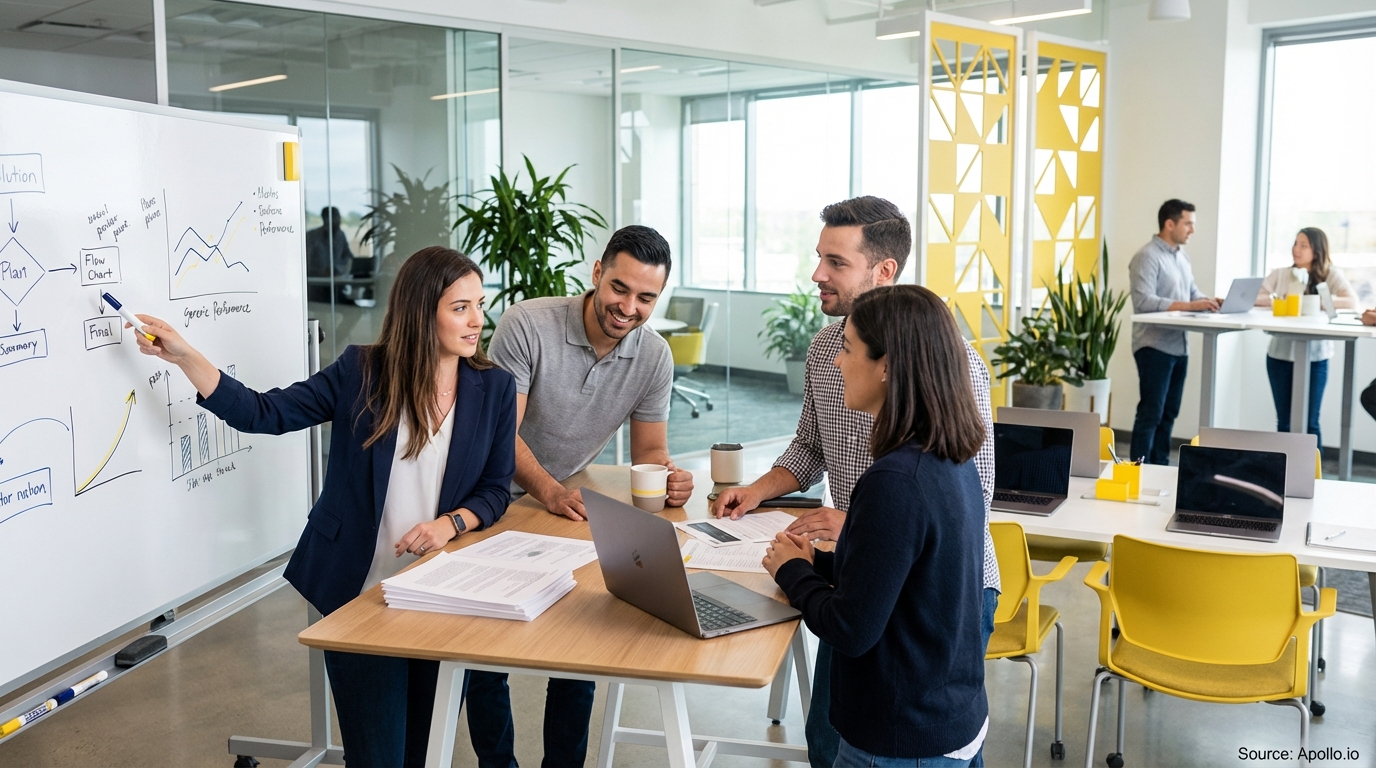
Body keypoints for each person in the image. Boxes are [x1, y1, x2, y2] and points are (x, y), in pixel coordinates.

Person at [128, 247, 516, 768]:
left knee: (425, 754)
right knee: (377, 757)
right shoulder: (362, 371)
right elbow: (264, 412)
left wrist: (452, 523)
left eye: (479, 305)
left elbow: (495, 488)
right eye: (461, 308)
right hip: (359, 596)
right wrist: (185, 356)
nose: (477, 321)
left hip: (438, 597)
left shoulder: (494, 387)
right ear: (423, 312)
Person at [711, 196, 999, 768]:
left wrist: (860, 524)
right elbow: (810, 447)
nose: (817, 274)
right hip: (852, 569)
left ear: (883, 270)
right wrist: (759, 490)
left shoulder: (950, 364)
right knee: (837, 729)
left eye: (836, 262)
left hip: (937, 582)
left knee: (892, 727)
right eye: (819, 257)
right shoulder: (827, 349)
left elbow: (975, 499)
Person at [468, 224, 693, 768]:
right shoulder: (529, 323)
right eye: (620, 288)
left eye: (646, 298)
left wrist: (669, 477)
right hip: (489, 495)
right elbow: (501, 434)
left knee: (581, 644)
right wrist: (549, 489)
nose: (629, 308)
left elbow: (650, 450)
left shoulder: (654, 356)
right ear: (597, 273)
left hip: (563, 506)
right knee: (481, 650)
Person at [764, 284, 990, 767]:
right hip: (949, 718)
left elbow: (850, 628)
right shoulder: (950, 455)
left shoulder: (895, 481)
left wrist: (792, 572)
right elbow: (903, 577)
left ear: (886, 365)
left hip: (899, 739)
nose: (837, 362)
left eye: (848, 350)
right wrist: (819, 562)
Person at [1128, 199, 1220, 465]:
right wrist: (1191, 305)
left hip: (1179, 346)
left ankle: (1160, 468)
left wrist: (1210, 302)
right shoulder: (1146, 256)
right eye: (1188, 224)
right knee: (1151, 413)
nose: (1192, 230)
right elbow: (1144, 301)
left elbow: (1192, 293)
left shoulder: (1181, 257)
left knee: (1169, 413)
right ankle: (1139, 470)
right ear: (1170, 224)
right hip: (1153, 346)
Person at [1254, 228, 1355, 446]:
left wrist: (1319, 302)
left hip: (1315, 359)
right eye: (1295, 244)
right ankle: (1285, 466)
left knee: (1310, 423)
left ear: (1317, 251)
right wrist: (1279, 300)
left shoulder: (1330, 274)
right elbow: (1256, 296)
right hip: (1280, 356)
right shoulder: (1281, 274)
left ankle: (1312, 468)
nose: (1296, 249)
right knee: (1285, 422)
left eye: (1303, 245)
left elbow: (1351, 301)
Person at [307, 206, 356, 278]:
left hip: (336, 279)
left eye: (338, 217)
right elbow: (306, 261)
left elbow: (348, 256)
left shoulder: (340, 235)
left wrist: (340, 268)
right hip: (315, 280)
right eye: (334, 217)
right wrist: (321, 271)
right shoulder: (312, 236)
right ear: (325, 219)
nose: (338, 220)